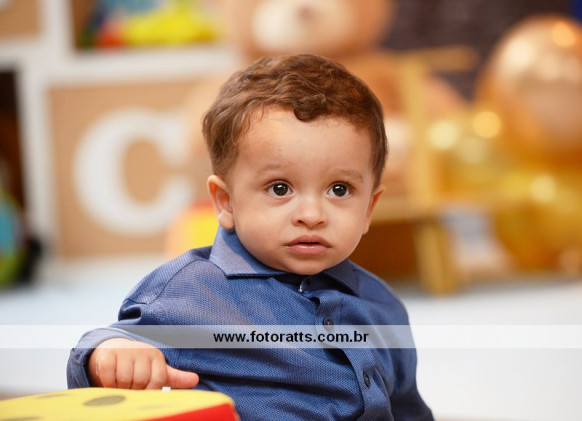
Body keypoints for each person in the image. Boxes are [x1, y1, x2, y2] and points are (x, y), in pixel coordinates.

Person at [67, 54, 433, 420]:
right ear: (226, 202)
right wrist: (111, 355)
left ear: (369, 208)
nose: (312, 215)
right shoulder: (194, 292)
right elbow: (107, 345)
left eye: (339, 189)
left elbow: (406, 408)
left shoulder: (382, 305)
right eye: (279, 188)